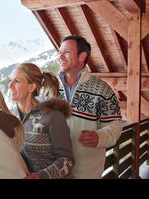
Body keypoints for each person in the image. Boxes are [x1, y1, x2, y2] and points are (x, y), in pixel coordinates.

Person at [58, 35, 122, 179]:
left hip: (87, 174)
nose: (60, 56)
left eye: (66, 52)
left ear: (82, 56)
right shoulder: (50, 87)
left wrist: (100, 137)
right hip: (52, 171)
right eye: (60, 51)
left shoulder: (102, 90)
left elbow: (115, 125)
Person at [8, 62, 75, 179]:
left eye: (17, 81)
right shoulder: (10, 116)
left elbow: (67, 160)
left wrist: (41, 176)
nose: (10, 86)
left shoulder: (52, 116)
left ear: (31, 87)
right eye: (11, 80)